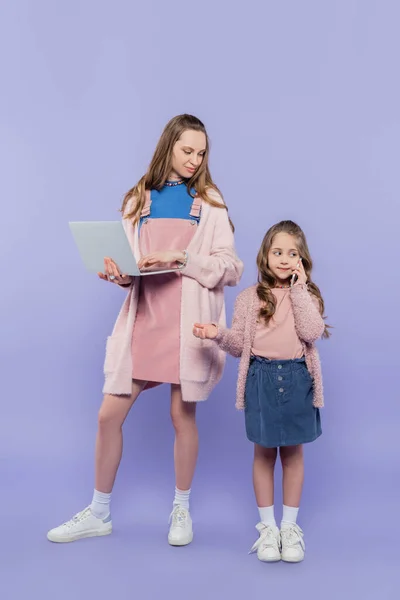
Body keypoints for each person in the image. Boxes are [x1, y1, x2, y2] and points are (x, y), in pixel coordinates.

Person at [47, 114, 243, 546]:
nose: (195, 160)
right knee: (108, 416)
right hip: (145, 318)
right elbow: (130, 264)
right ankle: (98, 512)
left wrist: (181, 257)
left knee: (180, 415)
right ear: (168, 146)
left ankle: (181, 510)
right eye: (187, 150)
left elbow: (231, 268)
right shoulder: (140, 197)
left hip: (187, 325)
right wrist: (118, 273)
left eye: (202, 152)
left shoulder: (210, 202)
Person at [193, 220, 330, 563]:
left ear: (302, 259)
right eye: (278, 252)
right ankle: (268, 529)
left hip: (298, 378)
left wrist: (299, 289)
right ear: (265, 255)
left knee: (293, 454)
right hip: (261, 379)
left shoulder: (307, 295)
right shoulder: (248, 298)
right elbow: (240, 345)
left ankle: (289, 529)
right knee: (264, 454)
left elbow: (312, 332)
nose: (284, 259)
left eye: (292, 253)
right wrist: (217, 334)